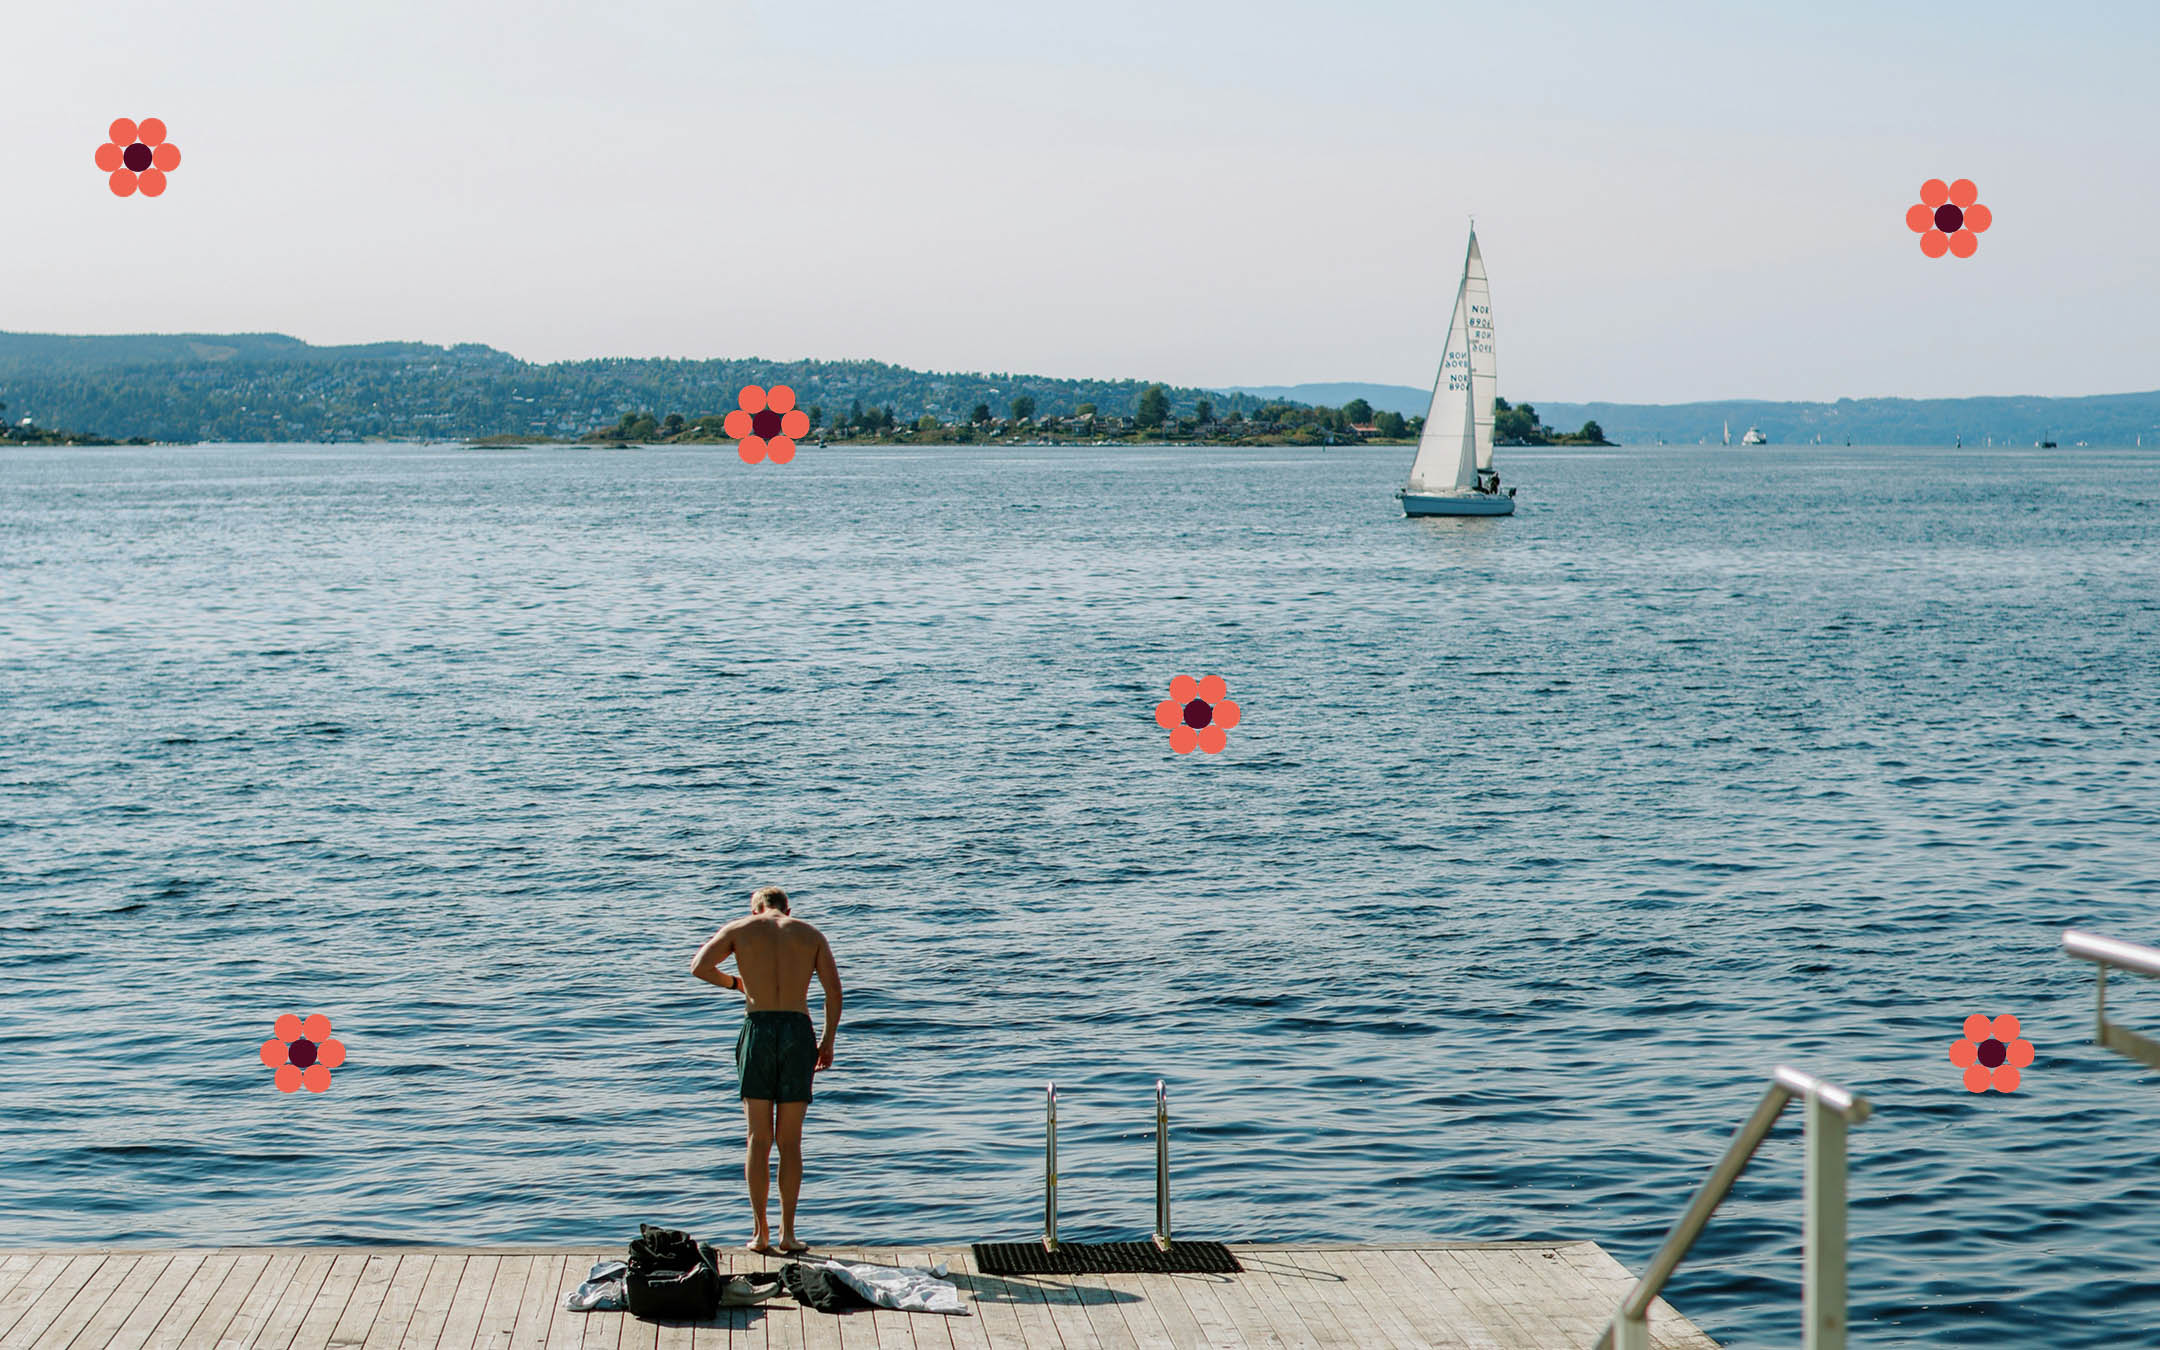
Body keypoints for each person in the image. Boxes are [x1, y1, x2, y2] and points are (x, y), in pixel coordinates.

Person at [691, 886, 843, 1255]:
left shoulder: (740, 929)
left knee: (757, 1139)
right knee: (790, 1141)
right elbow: (833, 991)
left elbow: (699, 967)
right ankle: (788, 1234)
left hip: (758, 1029)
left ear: (756, 909)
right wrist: (827, 1041)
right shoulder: (810, 934)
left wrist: (735, 983)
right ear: (787, 910)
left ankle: (760, 1234)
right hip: (797, 1031)